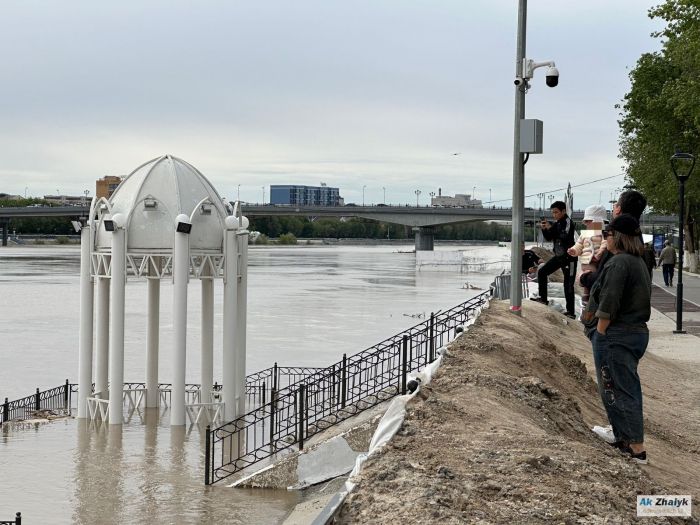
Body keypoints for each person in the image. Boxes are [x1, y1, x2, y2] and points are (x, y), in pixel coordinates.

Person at [583, 214, 651, 464]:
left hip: (616, 334)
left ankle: (635, 448)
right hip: (631, 333)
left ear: (618, 237)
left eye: (608, 234)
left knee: (619, 388)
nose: (605, 238)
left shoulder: (620, 262)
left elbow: (610, 300)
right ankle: (623, 436)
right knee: (620, 386)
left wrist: (600, 331)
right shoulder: (636, 260)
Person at [579, 190, 648, 292]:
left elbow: (606, 278)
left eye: (607, 234)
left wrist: (583, 278)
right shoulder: (637, 236)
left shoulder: (618, 238)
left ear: (618, 209)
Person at [531, 201, 577, 318]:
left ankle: (571, 312)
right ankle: (543, 299)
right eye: (553, 212)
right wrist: (544, 228)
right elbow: (549, 237)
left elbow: (564, 236)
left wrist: (551, 228)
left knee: (568, 285)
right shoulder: (557, 223)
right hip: (559, 257)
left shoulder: (567, 222)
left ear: (563, 211)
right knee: (542, 272)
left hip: (569, 258)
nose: (554, 215)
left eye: (556, 212)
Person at [567, 204, 607, 303]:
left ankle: (588, 296)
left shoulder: (603, 234)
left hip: (595, 262)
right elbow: (579, 245)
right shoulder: (585, 234)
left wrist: (599, 254)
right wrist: (574, 250)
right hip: (585, 261)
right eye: (586, 222)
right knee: (585, 277)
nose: (586, 224)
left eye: (589, 222)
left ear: (598, 222)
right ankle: (586, 296)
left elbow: (604, 244)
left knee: (590, 278)